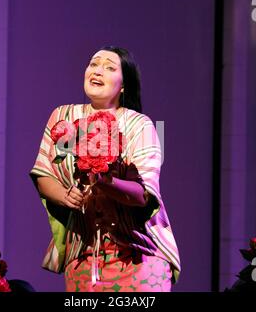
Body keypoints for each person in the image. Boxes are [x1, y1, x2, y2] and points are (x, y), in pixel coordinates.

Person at [30, 46, 180, 292]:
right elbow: (44, 174)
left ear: (123, 85)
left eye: (110, 67)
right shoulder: (65, 118)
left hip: (138, 256)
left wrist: (104, 180)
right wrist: (65, 195)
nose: (97, 71)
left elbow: (143, 194)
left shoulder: (139, 125)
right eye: (93, 64)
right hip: (84, 254)